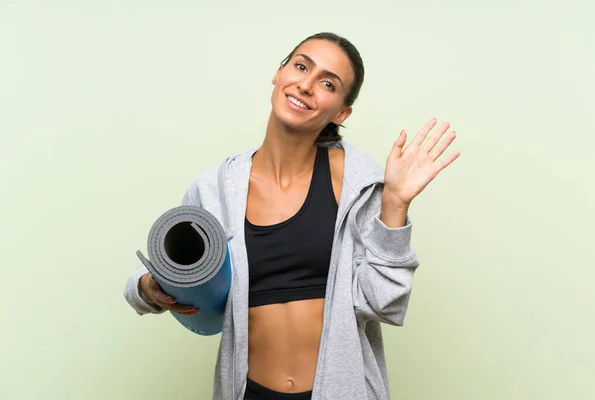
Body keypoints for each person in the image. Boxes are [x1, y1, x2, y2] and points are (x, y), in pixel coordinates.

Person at [123, 32, 460, 400]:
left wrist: (395, 203)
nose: (306, 85)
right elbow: (172, 267)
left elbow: (385, 302)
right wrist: (146, 287)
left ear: (342, 112)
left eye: (328, 83)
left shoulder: (359, 185)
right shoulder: (216, 187)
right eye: (301, 66)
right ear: (279, 72)